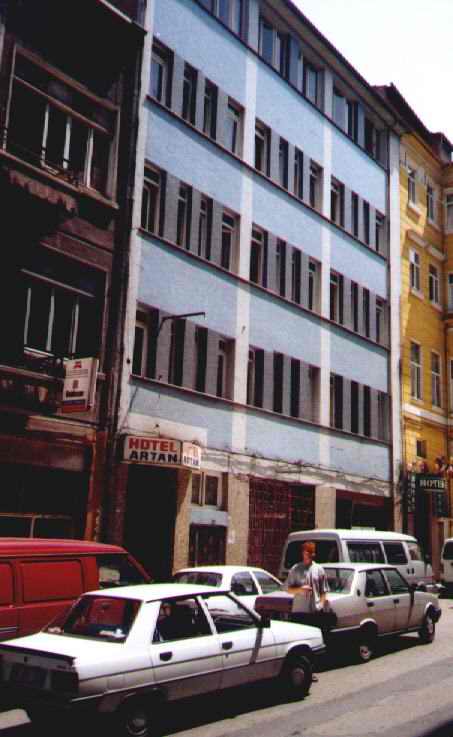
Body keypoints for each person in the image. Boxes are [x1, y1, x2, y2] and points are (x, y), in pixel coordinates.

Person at [285, 541, 330, 681]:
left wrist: (321, 604)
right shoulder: (295, 569)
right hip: (299, 612)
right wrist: (300, 590)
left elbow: (324, 591)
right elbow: (288, 589)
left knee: (313, 643)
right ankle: (301, 670)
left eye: (312, 553)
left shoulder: (319, 569)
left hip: (314, 612)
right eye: (307, 552)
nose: (309, 555)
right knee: (300, 643)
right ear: (303, 553)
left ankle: (311, 671)